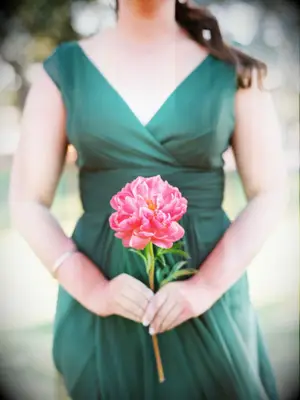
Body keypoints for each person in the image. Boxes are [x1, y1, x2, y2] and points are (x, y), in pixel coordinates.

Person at [9, 0, 289, 399]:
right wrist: (93, 291)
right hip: (101, 312)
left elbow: (269, 192)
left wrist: (203, 289)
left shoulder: (235, 72)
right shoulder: (63, 72)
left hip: (210, 305)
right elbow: (27, 200)